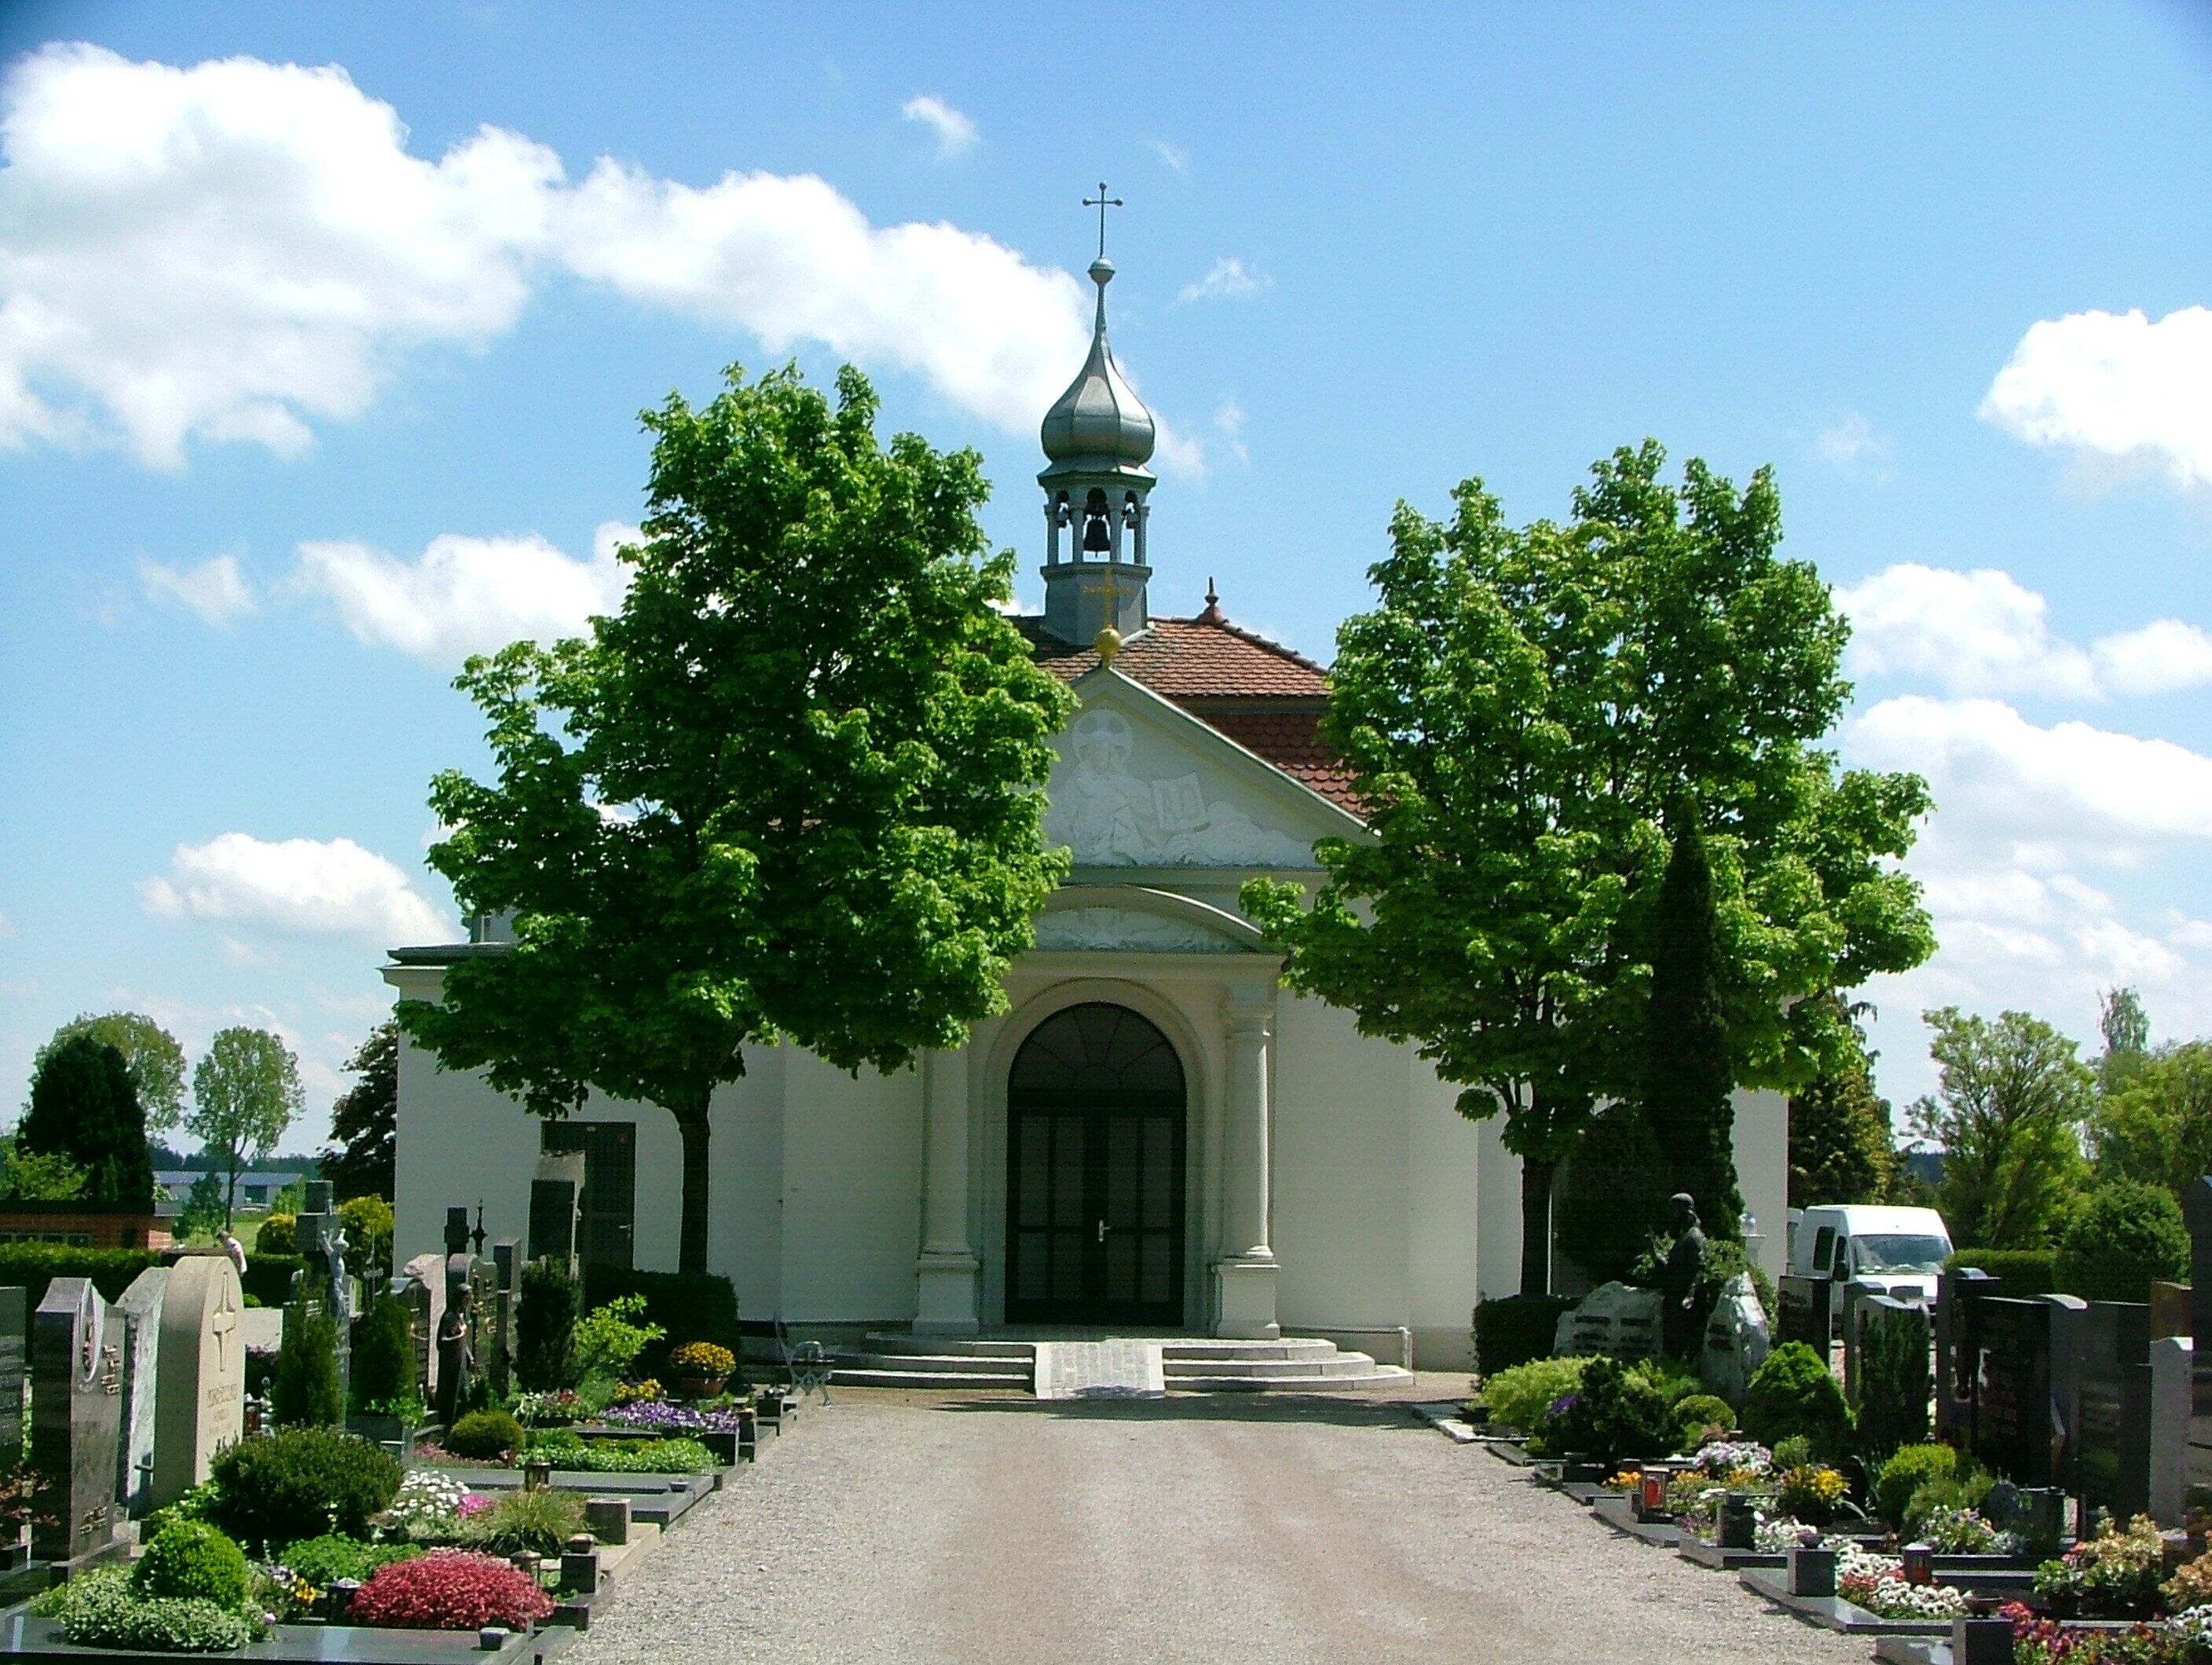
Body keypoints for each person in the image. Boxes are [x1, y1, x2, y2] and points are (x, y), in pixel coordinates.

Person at [1661, 1192, 1708, 1356]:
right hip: (1673, 1301)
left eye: (1675, 1212)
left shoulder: (1694, 1237)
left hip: (1683, 1304)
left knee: (1678, 1347)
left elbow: (1699, 1268)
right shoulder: (1683, 1238)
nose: (1672, 1216)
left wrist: (1690, 1295)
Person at [436, 1286, 474, 1429]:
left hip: (461, 1362)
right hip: (450, 1364)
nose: (468, 1301)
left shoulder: (460, 1317)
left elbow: (463, 1343)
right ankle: (447, 1427)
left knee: (463, 1396)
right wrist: (460, 1335)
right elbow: (442, 1341)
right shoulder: (448, 1317)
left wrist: (470, 1357)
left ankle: (461, 1426)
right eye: (466, 1298)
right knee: (450, 1397)